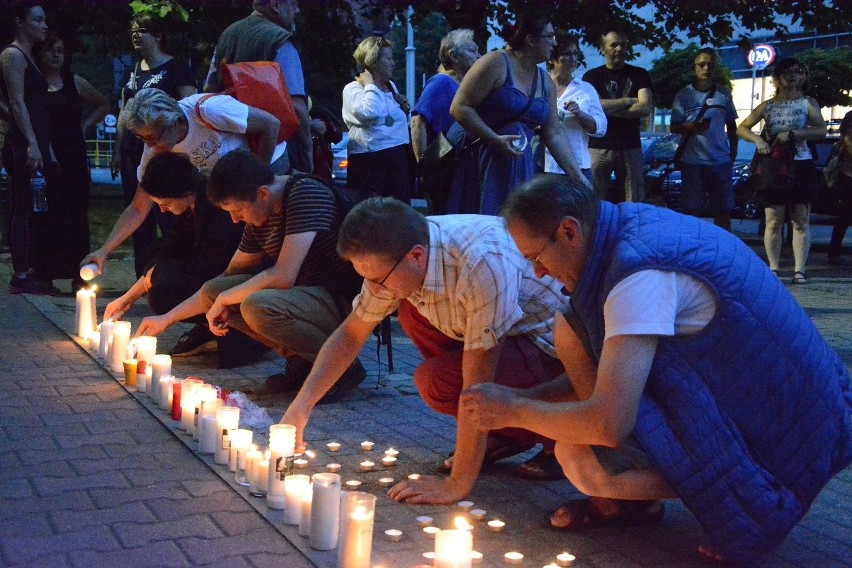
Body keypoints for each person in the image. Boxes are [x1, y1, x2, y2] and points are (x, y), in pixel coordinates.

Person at [462, 174, 850, 566]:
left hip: (793, 427)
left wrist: (511, 412)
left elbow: (609, 423)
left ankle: (750, 497)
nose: (539, 274)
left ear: (569, 231)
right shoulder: (627, 227)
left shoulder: (637, 275)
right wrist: (523, 398)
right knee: (571, 326)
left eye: (535, 257)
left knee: (579, 459)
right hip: (793, 397)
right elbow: (608, 372)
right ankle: (665, 497)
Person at [280, 197, 574, 504]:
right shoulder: (399, 255)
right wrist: (302, 406)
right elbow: (351, 335)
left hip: (553, 355)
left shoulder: (481, 262)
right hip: (508, 335)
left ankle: (554, 437)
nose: (373, 289)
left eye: (378, 280)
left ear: (416, 256)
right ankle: (501, 435)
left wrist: (456, 484)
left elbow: (478, 381)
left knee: (438, 382)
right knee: (412, 313)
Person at [135, 150, 366, 398]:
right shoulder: (260, 213)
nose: (235, 220)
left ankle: (340, 366)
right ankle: (305, 360)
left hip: (345, 299)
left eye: (238, 211)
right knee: (215, 291)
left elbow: (284, 274)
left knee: (258, 306)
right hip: (305, 296)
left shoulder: (305, 194)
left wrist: (226, 299)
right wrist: (167, 319)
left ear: (263, 194)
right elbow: (226, 277)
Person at [103, 152, 264, 368]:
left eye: (167, 203)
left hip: (237, 281)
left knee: (164, 286)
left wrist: (167, 313)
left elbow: (212, 267)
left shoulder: (215, 210)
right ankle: (208, 327)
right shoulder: (192, 205)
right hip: (214, 278)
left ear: (185, 193)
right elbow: (170, 247)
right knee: (156, 265)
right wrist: (127, 299)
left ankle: (241, 335)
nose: (162, 210)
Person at [448, 13, 586, 215]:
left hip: (518, 164)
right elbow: (459, 107)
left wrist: (578, 177)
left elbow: (553, 132)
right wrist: (493, 139)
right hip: (481, 163)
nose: (554, 43)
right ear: (530, 40)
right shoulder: (494, 63)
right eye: (548, 37)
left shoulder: (544, 80)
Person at [110, 14, 196, 279]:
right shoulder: (131, 71)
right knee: (140, 216)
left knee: (171, 215)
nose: (136, 35)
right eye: (133, 31)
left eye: (143, 30)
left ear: (158, 36)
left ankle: (176, 271)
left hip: (168, 152)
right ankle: (143, 276)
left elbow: (188, 106)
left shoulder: (175, 68)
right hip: (136, 151)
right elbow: (124, 110)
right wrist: (117, 148)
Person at [737, 58, 827, 284]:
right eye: (788, 72)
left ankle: (799, 269)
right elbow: (742, 127)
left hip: (801, 163)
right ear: (777, 79)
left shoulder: (808, 102)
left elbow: (821, 130)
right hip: (774, 166)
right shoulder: (768, 105)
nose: (794, 76)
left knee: (800, 218)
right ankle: (774, 267)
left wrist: (795, 134)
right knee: (773, 219)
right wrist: (758, 140)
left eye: (799, 72)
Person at [36, 32, 109, 292]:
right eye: (51, 50)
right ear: (40, 53)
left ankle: (79, 275)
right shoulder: (33, 83)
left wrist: (85, 126)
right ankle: (44, 272)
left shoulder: (74, 81)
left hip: (73, 155)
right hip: (46, 153)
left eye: (60, 50)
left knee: (76, 213)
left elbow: (102, 104)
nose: (56, 55)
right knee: (46, 214)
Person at [205, 0, 313, 174]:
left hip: (229, 152)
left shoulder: (227, 35)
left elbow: (208, 91)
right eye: (293, 4)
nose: (298, 10)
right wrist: (308, 150)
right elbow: (296, 107)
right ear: (276, 5)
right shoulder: (280, 40)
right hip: (275, 153)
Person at [0, 3, 56, 294]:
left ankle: (29, 267)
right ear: (20, 22)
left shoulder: (28, 57)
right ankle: (20, 274)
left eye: (45, 20)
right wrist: (32, 143)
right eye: (38, 20)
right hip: (22, 144)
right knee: (21, 206)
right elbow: (16, 101)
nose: (44, 26)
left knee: (34, 204)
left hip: (34, 141)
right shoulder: (12, 55)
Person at [410, 29, 480, 213]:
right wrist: (424, 167)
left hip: (458, 165)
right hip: (443, 166)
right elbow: (418, 123)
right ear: (454, 56)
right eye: (472, 50)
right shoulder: (440, 83)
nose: (479, 56)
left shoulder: (464, 86)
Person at [670, 48, 738, 231]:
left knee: (723, 210)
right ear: (695, 68)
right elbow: (673, 126)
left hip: (720, 161)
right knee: (692, 211)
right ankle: (693, 250)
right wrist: (690, 127)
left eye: (710, 64)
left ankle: (724, 251)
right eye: (702, 64)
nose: (706, 68)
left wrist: (733, 154)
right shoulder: (684, 94)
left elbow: (732, 126)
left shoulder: (723, 93)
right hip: (692, 162)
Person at [583, 31, 653, 203]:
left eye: (623, 44)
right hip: (598, 147)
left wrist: (606, 109)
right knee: (593, 200)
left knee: (633, 200)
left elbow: (645, 107)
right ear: (602, 49)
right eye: (613, 45)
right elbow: (591, 108)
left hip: (630, 147)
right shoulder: (591, 77)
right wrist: (628, 101)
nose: (619, 49)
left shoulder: (640, 74)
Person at [342, 36, 413, 203]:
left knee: (398, 210)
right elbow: (368, 113)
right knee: (371, 211)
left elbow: (399, 121)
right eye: (388, 58)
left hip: (397, 154)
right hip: (370, 159)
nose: (393, 63)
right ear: (373, 62)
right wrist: (370, 85)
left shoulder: (391, 86)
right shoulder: (353, 89)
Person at [543, 33, 606, 183]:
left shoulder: (585, 89)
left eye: (575, 53)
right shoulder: (540, 85)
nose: (573, 59)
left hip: (577, 167)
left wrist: (580, 114)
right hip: (544, 166)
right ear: (551, 58)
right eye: (566, 53)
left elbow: (601, 128)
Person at [827, 110, 852, 264]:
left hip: (848, 174)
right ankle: (834, 251)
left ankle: (834, 251)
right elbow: (848, 141)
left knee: (844, 217)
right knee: (844, 216)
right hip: (849, 175)